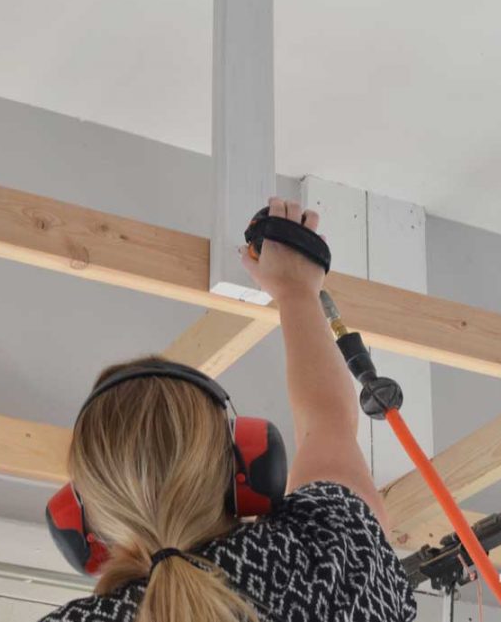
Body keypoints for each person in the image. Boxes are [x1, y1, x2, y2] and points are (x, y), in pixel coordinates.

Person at [39, 197, 417, 622]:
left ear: (81, 526)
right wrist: (296, 290)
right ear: (249, 464)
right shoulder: (329, 557)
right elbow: (328, 422)